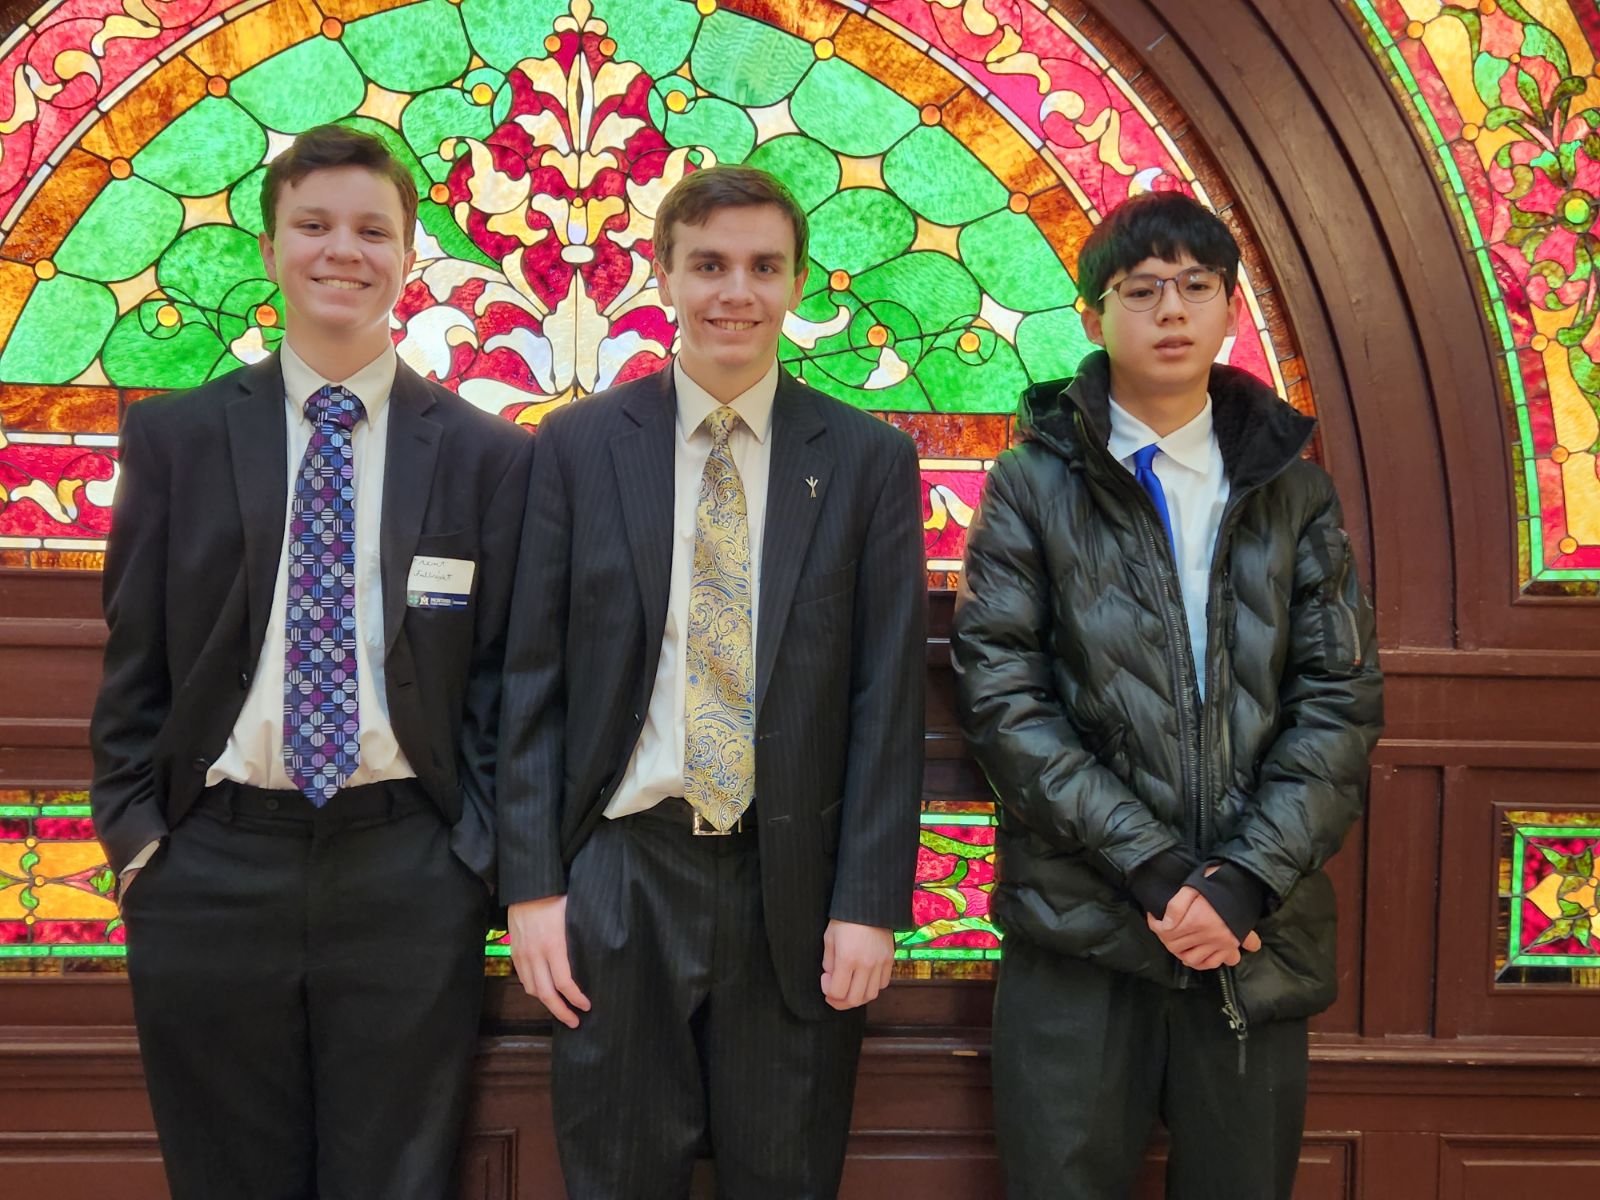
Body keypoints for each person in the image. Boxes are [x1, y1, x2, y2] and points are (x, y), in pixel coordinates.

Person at [89, 123, 533, 1200]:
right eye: (314, 225)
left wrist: (473, 857)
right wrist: (140, 845)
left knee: (396, 1177)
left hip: (407, 869)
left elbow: (505, 677)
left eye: (372, 231)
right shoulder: (177, 439)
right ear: (271, 247)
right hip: (210, 864)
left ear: (408, 254)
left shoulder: (486, 455)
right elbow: (133, 663)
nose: (344, 251)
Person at [496, 164, 925, 1199]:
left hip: (796, 886)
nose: (737, 291)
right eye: (710, 265)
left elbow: (885, 698)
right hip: (622, 871)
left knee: (785, 1176)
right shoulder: (579, 445)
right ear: (665, 275)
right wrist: (532, 888)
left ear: (797, 283)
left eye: (764, 267)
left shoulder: (867, 458)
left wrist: (870, 903)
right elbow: (531, 678)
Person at [951, 190, 1383, 1199]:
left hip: (1253, 933)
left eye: (1196, 285)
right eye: (1141, 290)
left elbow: (1339, 699)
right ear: (1093, 316)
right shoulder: (1030, 483)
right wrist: (1150, 867)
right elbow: (1003, 695)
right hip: (1080, 924)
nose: (1172, 310)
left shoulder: (1292, 490)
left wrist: (1240, 881)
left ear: (1230, 306)